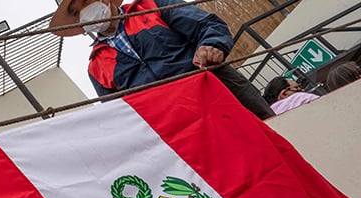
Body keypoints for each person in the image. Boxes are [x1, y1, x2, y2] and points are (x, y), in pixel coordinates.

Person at [50, 0, 275, 119]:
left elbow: (207, 24)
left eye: (85, 1)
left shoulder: (151, 5)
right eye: (75, 13)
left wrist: (211, 45)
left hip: (220, 93)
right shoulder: (96, 67)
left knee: (276, 139)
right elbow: (120, 113)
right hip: (181, 128)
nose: (84, 12)